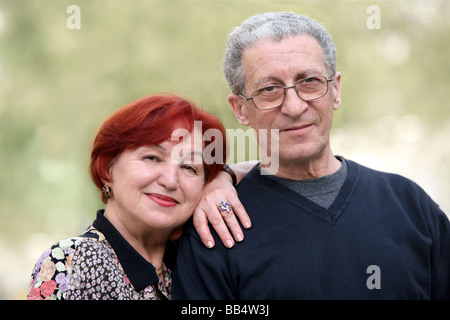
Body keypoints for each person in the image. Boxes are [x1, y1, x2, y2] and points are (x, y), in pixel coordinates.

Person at [173, 12, 450, 299]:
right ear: (240, 109)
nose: (293, 107)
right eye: (269, 89)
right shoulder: (216, 231)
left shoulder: (411, 206)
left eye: (309, 81)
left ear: (336, 89)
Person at [27, 93, 230, 300]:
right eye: (152, 157)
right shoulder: (73, 261)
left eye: (189, 167)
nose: (170, 180)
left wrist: (227, 178)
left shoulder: (200, 262)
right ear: (107, 168)